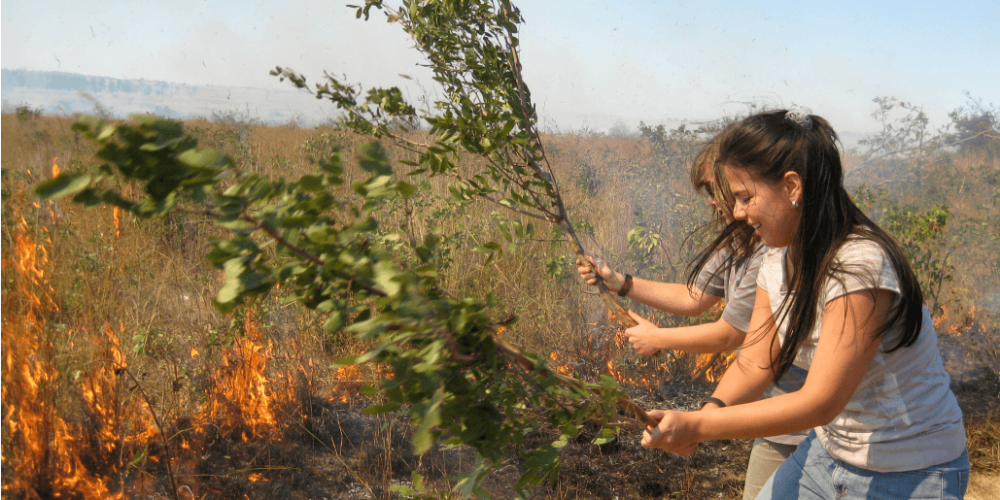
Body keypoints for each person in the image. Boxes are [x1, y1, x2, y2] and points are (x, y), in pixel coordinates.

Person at [640, 110, 968, 500]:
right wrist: (707, 414)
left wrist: (697, 428)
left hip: (909, 469)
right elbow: (755, 360)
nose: (738, 213)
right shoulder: (776, 259)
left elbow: (820, 402)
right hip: (827, 454)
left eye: (745, 197)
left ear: (792, 186)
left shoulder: (860, 266)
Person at [578, 136, 808, 500]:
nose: (717, 203)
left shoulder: (773, 248)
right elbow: (695, 297)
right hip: (777, 411)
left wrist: (660, 339)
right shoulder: (739, 240)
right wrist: (621, 283)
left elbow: (730, 335)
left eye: (719, 191)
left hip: (806, 416)